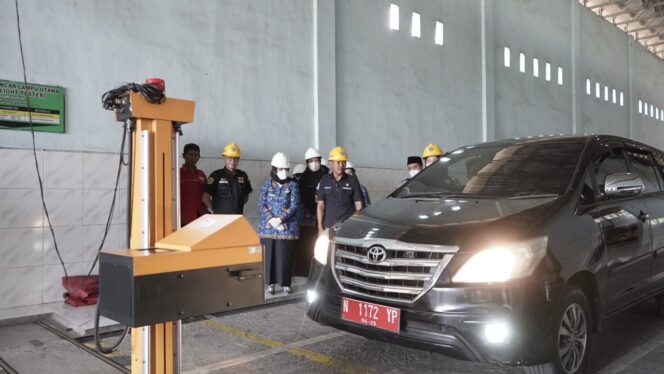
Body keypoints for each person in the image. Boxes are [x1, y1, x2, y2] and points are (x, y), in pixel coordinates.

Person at [258, 152, 299, 295]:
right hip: (268, 228)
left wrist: (280, 219)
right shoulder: (266, 185)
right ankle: (270, 284)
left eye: (286, 169)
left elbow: (294, 205)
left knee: (284, 257)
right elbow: (261, 204)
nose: (284, 172)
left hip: (286, 229)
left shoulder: (293, 185)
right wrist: (271, 219)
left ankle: (286, 283)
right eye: (280, 169)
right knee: (269, 257)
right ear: (274, 169)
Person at [316, 146, 363, 234]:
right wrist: (320, 227)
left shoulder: (352, 180)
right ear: (331, 163)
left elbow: (358, 204)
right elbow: (320, 205)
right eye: (338, 162)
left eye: (343, 162)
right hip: (329, 227)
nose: (341, 165)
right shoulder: (324, 181)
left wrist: (358, 224)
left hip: (348, 227)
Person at [203, 143, 253, 214]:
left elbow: (245, 197)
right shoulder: (216, 175)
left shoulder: (243, 175)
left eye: (235, 158)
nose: (232, 161)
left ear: (239, 159)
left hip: (237, 218)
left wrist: (235, 208)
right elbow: (205, 198)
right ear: (224, 157)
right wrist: (216, 211)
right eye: (230, 158)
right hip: (221, 219)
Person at [298, 148, 329, 225]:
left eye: (316, 160)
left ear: (320, 160)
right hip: (309, 214)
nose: (314, 163)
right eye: (311, 161)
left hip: (325, 212)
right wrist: (308, 211)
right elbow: (301, 197)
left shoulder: (326, 175)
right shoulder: (303, 178)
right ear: (307, 162)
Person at [180, 143, 207, 226]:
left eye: (196, 155)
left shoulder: (201, 174)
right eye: (190, 155)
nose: (193, 158)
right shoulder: (177, 174)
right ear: (184, 156)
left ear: (199, 157)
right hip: (183, 219)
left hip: (200, 218)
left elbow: (206, 195)